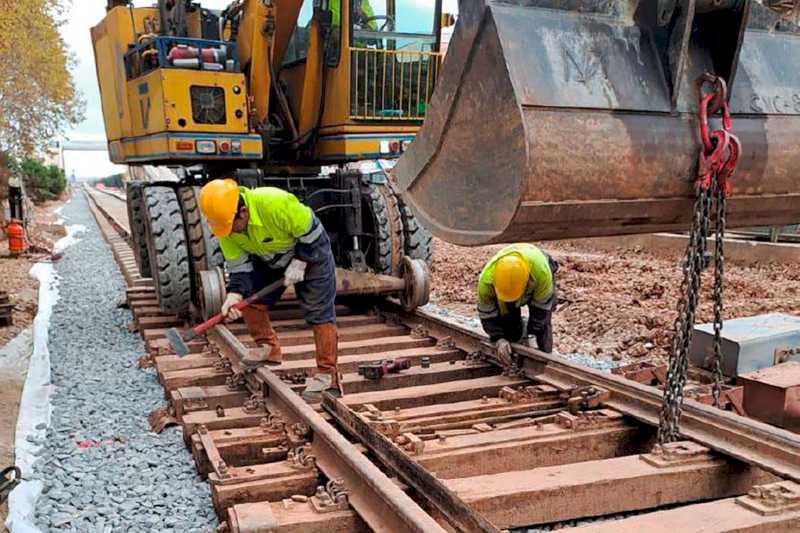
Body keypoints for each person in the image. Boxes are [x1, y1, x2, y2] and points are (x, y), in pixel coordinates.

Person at [198, 179, 340, 402]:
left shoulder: (274, 203)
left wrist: (302, 260)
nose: (228, 232)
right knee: (251, 301)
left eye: (230, 226)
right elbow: (241, 269)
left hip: (312, 254)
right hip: (271, 259)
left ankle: (328, 377)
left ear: (243, 213)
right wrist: (234, 295)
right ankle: (268, 348)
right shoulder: (227, 230)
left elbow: (313, 232)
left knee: (319, 313)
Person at [477, 244, 558, 366]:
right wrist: (498, 338)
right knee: (510, 328)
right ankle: (515, 355)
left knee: (543, 326)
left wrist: (532, 336)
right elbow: (487, 315)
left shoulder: (541, 273)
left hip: (537, 267)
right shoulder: (486, 282)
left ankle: (544, 360)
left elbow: (541, 311)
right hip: (513, 281)